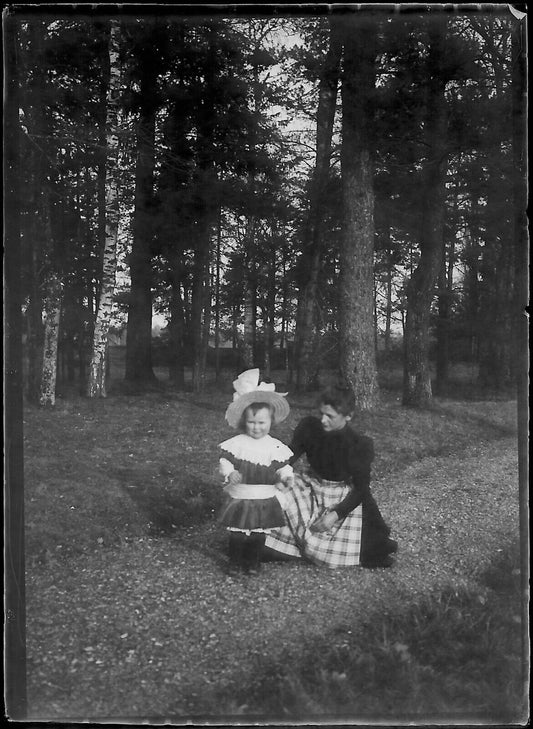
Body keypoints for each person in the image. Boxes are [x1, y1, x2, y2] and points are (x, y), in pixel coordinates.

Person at [264, 385, 397, 568]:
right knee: (277, 494)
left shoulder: (358, 444)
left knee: (372, 552)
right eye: (321, 414)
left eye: (330, 417)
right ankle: (278, 545)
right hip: (312, 483)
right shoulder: (310, 427)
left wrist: (336, 514)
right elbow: (289, 457)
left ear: (348, 416)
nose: (323, 420)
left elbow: (361, 488)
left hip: (340, 492)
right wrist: (272, 473)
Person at [217, 369, 294, 575]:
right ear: (244, 422)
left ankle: (253, 561)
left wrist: (287, 476)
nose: (256, 427)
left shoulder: (275, 447)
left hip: (264, 496)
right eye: (251, 422)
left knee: (259, 533)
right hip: (241, 495)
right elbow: (225, 460)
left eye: (261, 423)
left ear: (271, 422)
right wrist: (229, 472)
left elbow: (284, 466)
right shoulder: (238, 444)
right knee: (238, 532)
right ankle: (234, 561)